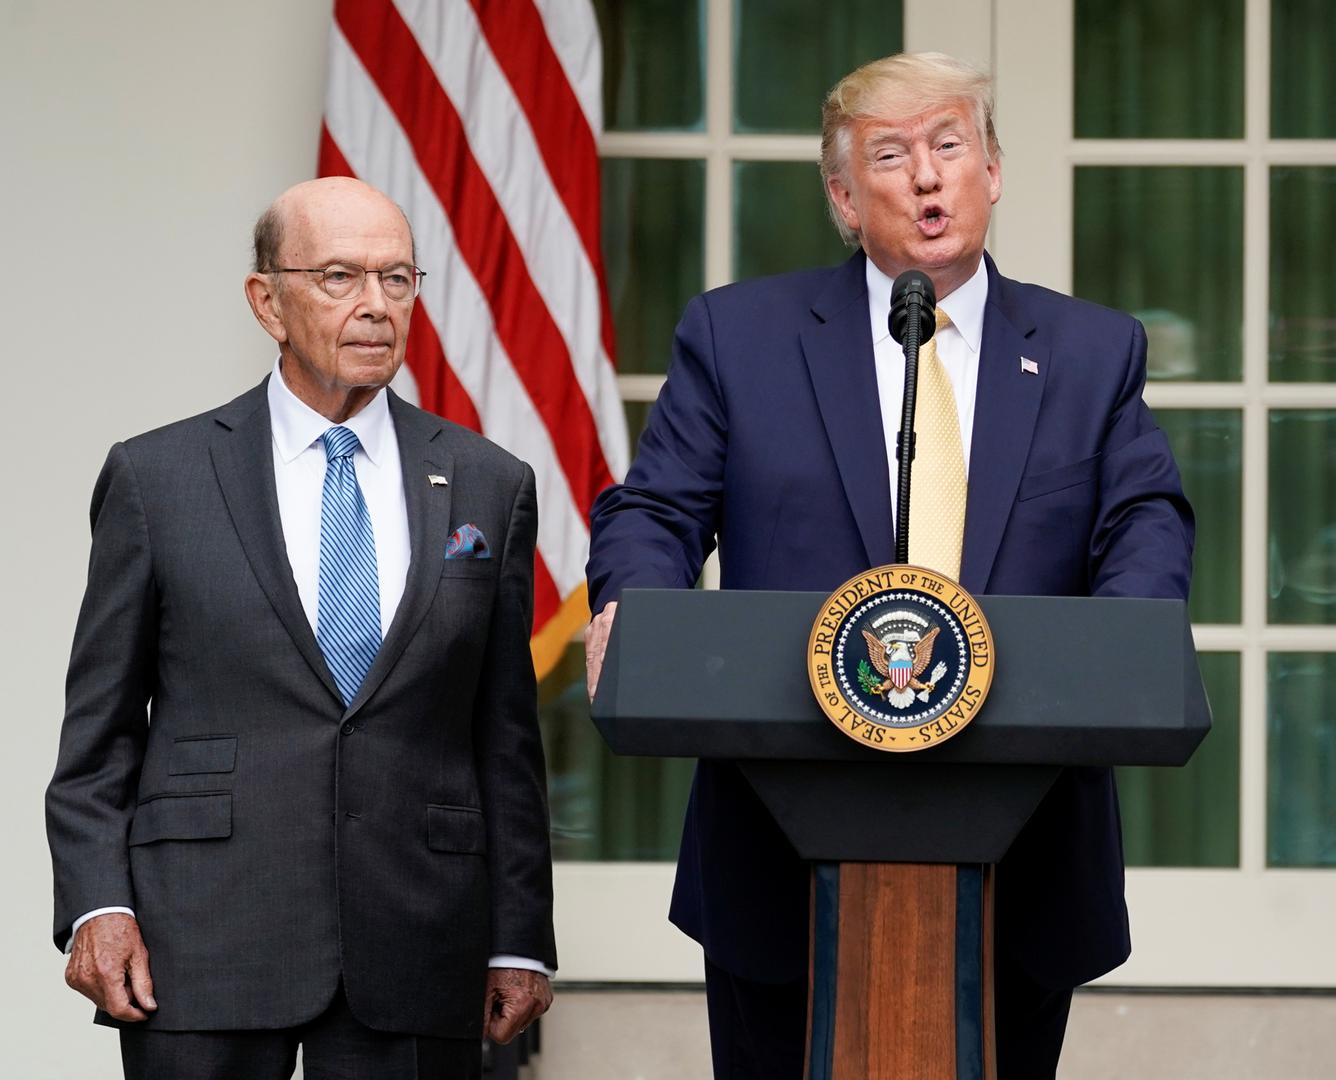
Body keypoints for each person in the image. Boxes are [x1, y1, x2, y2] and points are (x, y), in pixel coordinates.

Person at [584, 51, 1193, 1078]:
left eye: (950, 146)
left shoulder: (1092, 352)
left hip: (1025, 848)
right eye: (892, 155)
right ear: (840, 193)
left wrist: (1121, 644)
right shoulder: (740, 337)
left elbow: (1144, 519)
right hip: (779, 852)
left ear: (992, 170)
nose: (926, 177)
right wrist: (632, 611)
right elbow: (657, 507)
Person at [47, 177, 557, 1080]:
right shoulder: (158, 477)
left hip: (417, 939)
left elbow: (504, 736)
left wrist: (521, 935)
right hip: (199, 940)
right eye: (338, 277)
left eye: (396, 280)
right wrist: (97, 907)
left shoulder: (488, 483)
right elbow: (101, 735)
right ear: (266, 301)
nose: (375, 306)